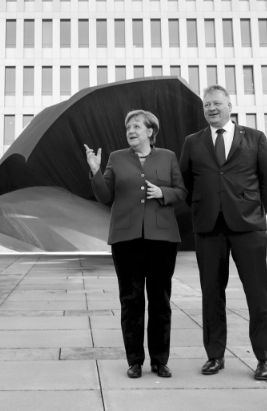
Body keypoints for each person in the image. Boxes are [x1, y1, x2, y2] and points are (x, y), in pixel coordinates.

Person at [179, 85, 267, 380]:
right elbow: (185, 183)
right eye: (207, 104)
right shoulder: (193, 142)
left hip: (248, 228)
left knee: (257, 294)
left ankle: (264, 358)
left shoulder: (254, 138)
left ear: (230, 106)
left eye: (217, 103)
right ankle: (214, 355)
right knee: (211, 294)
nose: (211, 108)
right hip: (209, 230)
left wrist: (253, 211)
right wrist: (201, 208)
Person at [85, 110, 187, 379]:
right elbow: (104, 194)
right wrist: (96, 171)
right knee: (131, 301)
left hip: (162, 240)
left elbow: (182, 191)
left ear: (150, 131)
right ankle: (134, 360)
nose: (131, 131)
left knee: (160, 301)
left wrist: (163, 192)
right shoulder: (117, 158)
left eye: (137, 127)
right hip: (125, 239)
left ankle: (159, 360)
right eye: (128, 127)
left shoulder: (168, 157)